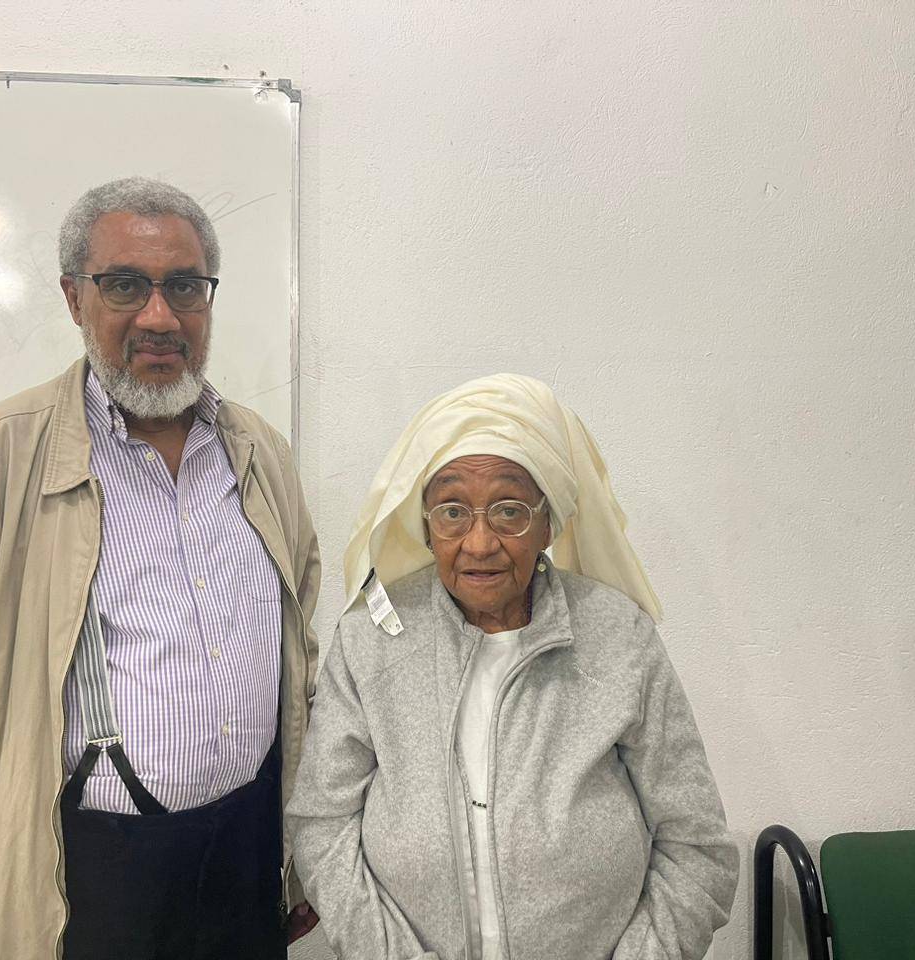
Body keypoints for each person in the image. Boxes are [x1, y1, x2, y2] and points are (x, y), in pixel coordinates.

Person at [0, 177, 320, 960]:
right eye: (125, 285)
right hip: (80, 891)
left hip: (245, 868)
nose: (160, 316)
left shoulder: (261, 456)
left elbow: (299, 670)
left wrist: (302, 862)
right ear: (75, 298)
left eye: (184, 286)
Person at [288, 373, 738, 960]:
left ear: (548, 523)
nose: (479, 543)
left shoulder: (618, 637)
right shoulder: (368, 642)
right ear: (425, 525)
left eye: (508, 511)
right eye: (453, 511)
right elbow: (323, 824)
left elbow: (697, 848)